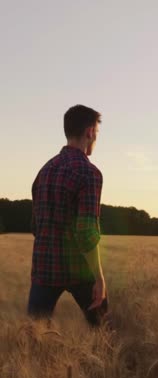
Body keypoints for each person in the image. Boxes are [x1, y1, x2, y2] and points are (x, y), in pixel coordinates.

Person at [28, 104, 107, 326]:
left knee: (32, 338)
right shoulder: (89, 173)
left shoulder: (44, 171)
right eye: (97, 134)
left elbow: (36, 225)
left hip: (44, 269)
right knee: (103, 335)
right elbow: (86, 233)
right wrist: (99, 279)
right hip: (80, 270)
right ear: (90, 131)